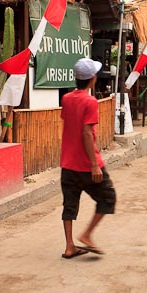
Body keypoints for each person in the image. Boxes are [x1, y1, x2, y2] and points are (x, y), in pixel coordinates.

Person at [59, 58, 117, 259]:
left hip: (68, 162)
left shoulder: (66, 99)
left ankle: (69, 246)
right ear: (92, 79)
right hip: (87, 163)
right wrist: (94, 164)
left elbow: (68, 122)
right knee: (108, 197)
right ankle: (87, 235)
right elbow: (86, 133)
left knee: (69, 205)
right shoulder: (90, 101)